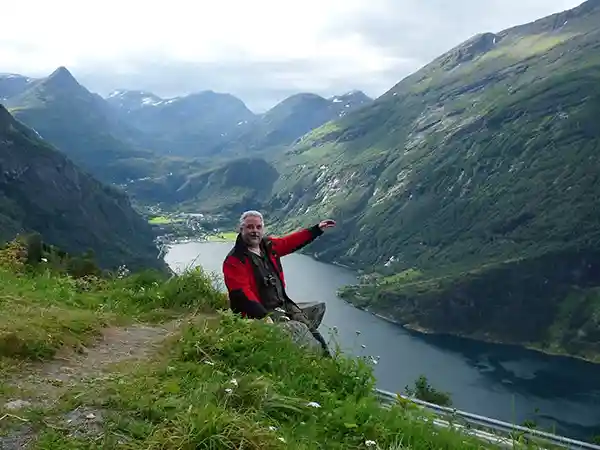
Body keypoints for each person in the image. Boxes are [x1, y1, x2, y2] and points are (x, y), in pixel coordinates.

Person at [222, 210, 336, 356]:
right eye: (250, 227)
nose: (254, 231)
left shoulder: (268, 246)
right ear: (241, 229)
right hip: (262, 311)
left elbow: (290, 242)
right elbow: (241, 293)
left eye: (258, 227)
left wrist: (316, 230)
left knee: (315, 335)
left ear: (262, 229)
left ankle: (328, 365)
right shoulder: (234, 260)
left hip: (283, 304)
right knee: (298, 340)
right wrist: (263, 317)